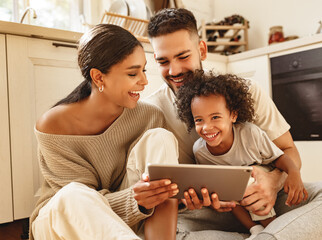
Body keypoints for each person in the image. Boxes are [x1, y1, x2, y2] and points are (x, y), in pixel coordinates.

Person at [145, 7, 322, 240]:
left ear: (202, 50)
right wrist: (190, 196)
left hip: (263, 199)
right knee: (167, 231)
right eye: (163, 61)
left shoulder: (244, 92)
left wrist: (273, 181)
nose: (174, 70)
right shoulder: (152, 110)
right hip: (208, 213)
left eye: (183, 56)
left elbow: (289, 151)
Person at [29, 24, 180, 240]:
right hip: (62, 222)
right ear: (98, 77)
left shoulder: (149, 116)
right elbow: (82, 209)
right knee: (74, 194)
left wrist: (158, 195)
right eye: (132, 73)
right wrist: (135, 200)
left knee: (161, 138)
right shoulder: (54, 124)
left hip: (122, 224)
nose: (144, 81)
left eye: (143, 70)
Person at [175, 70, 309, 239]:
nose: (207, 127)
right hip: (237, 193)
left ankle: (273, 230)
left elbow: (280, 158)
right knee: (229, 189)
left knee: (249, 179)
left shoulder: (250, 133)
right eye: (199, 120)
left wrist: (294, 173)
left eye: (215, 117)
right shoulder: (200, 150)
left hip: (262, 177)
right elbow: (215, 183)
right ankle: (255, 230)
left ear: (233, 115)